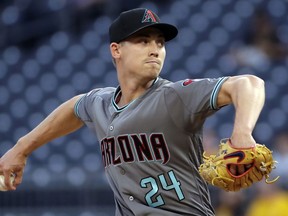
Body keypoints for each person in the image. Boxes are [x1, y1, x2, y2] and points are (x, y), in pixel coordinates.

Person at [0, 8, 266, 216]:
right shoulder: (101, 103)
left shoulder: (175, 96)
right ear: (116, 50)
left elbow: (249, 83)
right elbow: (75, 107)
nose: (155, 50)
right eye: (143, 41)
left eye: (160, 43)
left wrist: (242, 132)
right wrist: (21, 149)